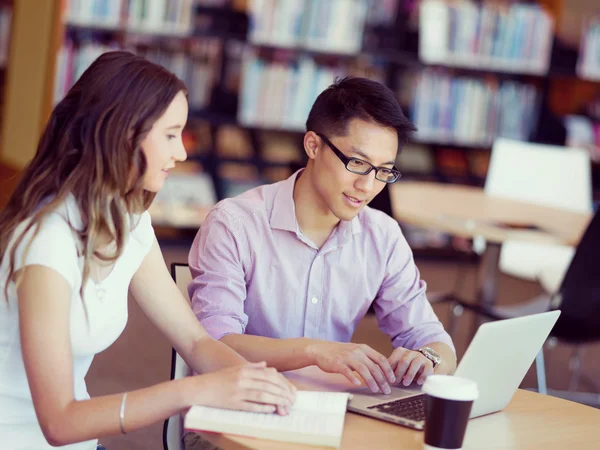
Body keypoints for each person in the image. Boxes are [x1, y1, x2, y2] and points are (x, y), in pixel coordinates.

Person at [0, 51, 295, 450]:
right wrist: (195, 391)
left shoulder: (128, 218)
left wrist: (260, 386)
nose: (183, 153)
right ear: (125, 132)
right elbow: (59, 421)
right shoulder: (47, 242)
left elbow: (195, 342)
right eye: (171, 135)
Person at [188, 76, 457, 401]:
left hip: (330, 410)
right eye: (357, 163)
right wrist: (315, 351)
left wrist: (427, 359)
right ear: (313, 145)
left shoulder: (382, 236)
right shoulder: (235, 224)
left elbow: (435, 341)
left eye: (384, 170)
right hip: (237, 408)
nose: (368, 186)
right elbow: (215, 343)